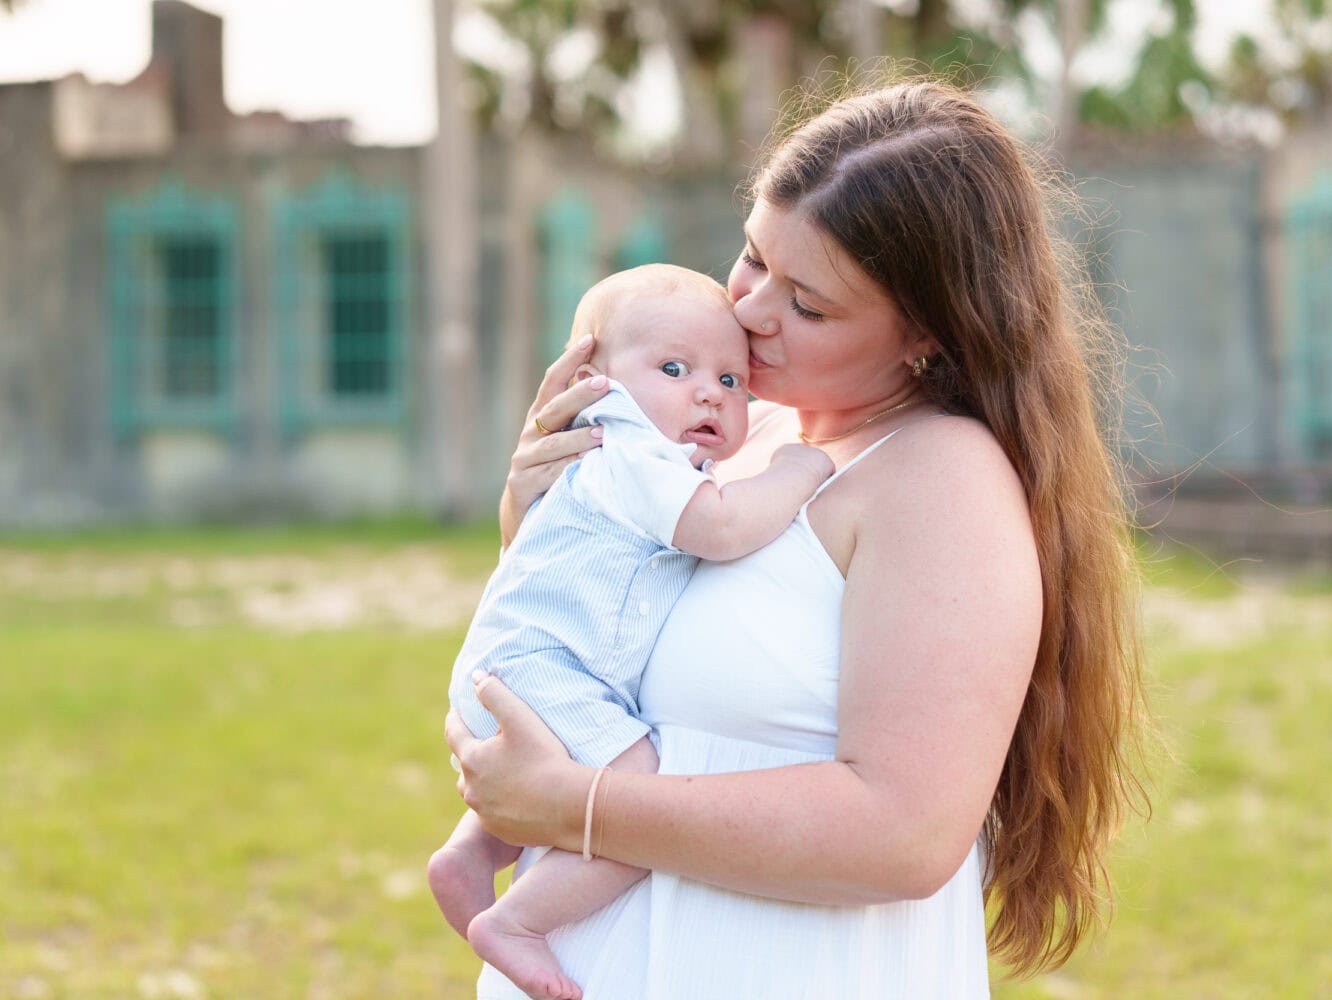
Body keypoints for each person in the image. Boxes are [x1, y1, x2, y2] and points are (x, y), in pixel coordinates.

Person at [446, 79, 1148, 999]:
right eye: (752, 257)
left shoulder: (941, 480)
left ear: (926, 338)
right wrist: (533, 518)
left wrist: (580, 808)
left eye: (808, 305)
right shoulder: (743, 435)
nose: (749, 312)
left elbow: (905, 833)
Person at [430, 263, 834, 1000]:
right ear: (594, 380)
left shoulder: (640, 456)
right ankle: (516, 922)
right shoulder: (631, 448)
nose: (709, 391)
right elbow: (718, 525)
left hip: (526, 666)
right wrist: (800, 472)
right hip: (541, 670)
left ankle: (470, 853)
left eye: (731, 379)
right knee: (639, 808)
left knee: (576, 785)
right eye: (674, 369)